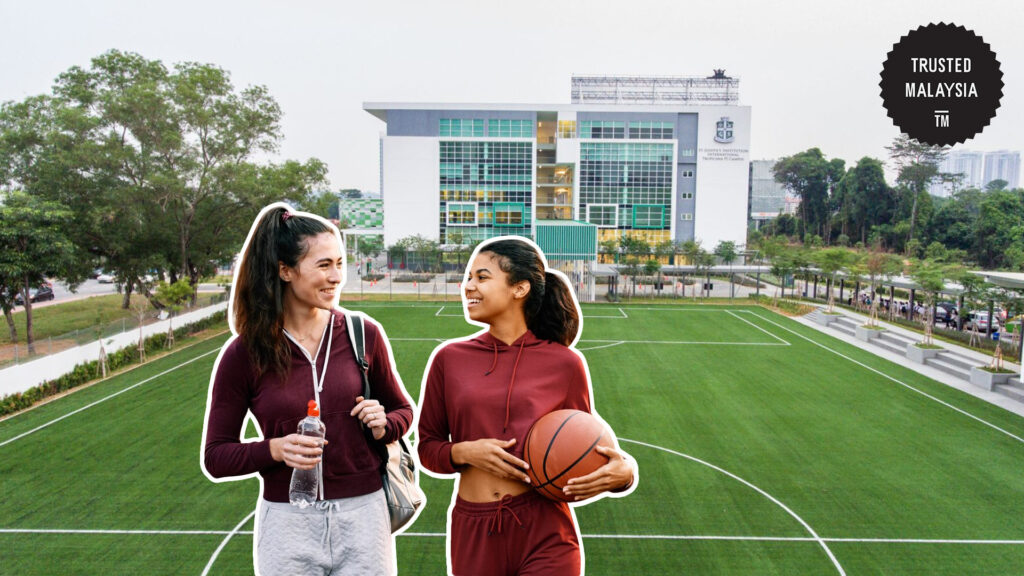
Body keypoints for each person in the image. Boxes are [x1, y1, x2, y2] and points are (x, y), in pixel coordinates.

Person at [201, 203, 414, 576]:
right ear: (285, 270)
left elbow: (403, 411)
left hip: (364, 517)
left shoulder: (363, 334)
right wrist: (274, 449)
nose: (337, 277)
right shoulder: (244, 353)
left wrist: (385, 424)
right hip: (286, 525)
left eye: (340, 264)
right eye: (323, 265)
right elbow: (216, 457)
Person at [416, 236, 637, 576]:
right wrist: (465, 452)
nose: (468, 286)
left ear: (519, 288)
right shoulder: (449, 359)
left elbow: (588, 449)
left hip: (545, 530)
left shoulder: (566, 364)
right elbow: (428, 449)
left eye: (482, 277)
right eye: (468, 277)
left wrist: (625, 474)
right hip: (474, 529)